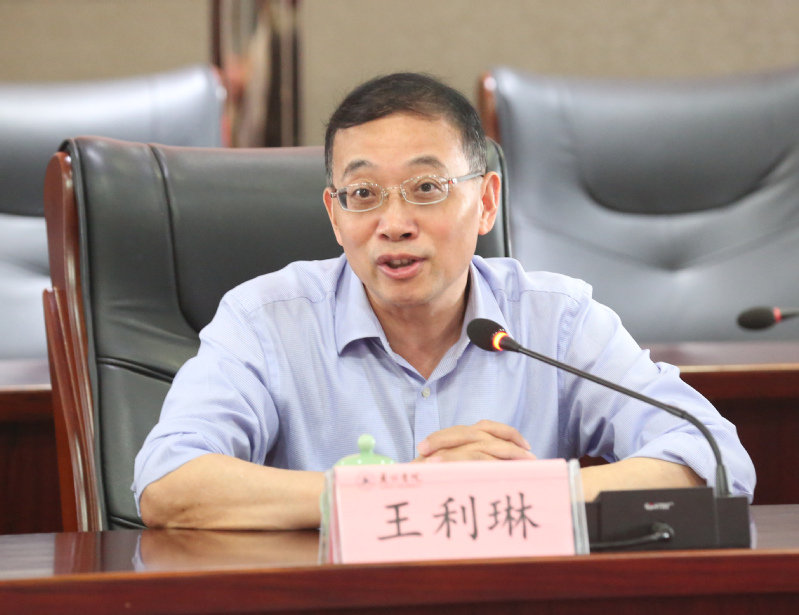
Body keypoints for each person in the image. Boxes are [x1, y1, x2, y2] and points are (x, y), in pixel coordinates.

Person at [134, 73, 755, 530]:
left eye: (426, 187)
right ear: (335, 215)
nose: (394, 223)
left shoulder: (555, 319)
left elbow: (715, 458)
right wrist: (393, 493)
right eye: (363, 193)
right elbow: (167, 482)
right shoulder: (265, 320)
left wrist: (534, 492)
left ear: (486, 202)